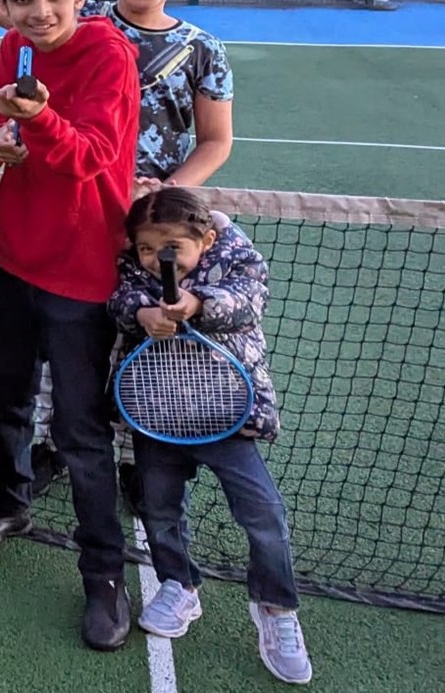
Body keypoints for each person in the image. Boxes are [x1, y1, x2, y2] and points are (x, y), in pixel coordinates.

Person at [0, 0, 237, 502]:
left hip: (149, 226)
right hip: (75, 221)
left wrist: (164, 199)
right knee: (55, 367)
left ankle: (138, 460)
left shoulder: (202, 48)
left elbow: (214, 139)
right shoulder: (73, 21)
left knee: (142, 347)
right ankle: (45, 456)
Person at [0, 0, 140, 651]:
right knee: (3, 395)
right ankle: (12, 502)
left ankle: (104, 572)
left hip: (83, 275)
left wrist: (35, 122)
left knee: (79, 427)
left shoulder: (109, 53)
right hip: (15, 264)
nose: (38, 13)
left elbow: (92, 155)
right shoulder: (11, 47)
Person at [112, 187, 312, 685]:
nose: (160, 258)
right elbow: (119, 298)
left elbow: (246, 302)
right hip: (158, 417)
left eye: (174, 248)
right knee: (159, 509)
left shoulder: (236, 255)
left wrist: (196, 304)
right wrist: (144, 314)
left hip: (227, 415)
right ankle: (179, 584)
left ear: (207, 238)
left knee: (263, 513)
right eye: (147, 249)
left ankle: (276, 607)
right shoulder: (134, 264)